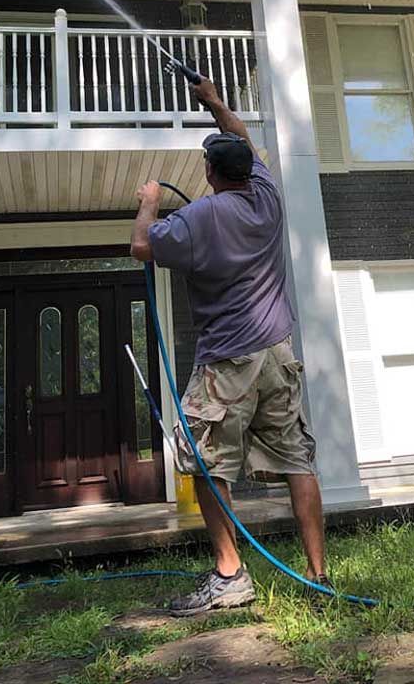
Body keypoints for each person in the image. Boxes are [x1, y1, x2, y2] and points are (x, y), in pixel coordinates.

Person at [130, 75, 331, 617]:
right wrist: (215, 102)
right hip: (278, 352)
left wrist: (149, 202)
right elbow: (240, 135)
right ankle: (319, 576)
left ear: (210, 174)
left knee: (205, 463)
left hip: (228, 361)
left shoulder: (197, 219)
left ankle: (230, 575)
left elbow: (141, 246)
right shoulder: (267, 196)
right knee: (296, 460)